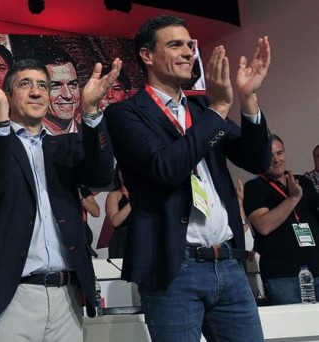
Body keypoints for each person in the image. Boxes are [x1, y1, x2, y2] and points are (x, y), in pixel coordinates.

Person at [104, 15, 271, 341]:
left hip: (228, 264)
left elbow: (257, 160)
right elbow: (167, 167)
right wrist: (220, 107)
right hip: (174, 269)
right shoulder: (125, 113)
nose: (188, 52)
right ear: (147, 55)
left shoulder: (202, 110)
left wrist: (248, 98)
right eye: (175, 44)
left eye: (190, 45)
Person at [0, 55, 121, 340]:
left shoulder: (65, 144)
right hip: (11, 294)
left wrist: (91, 111)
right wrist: (0, 113)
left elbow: (101, 176)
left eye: (44, 85)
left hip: (67, 296)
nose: (36, 92)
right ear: (7, 94)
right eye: (26, 84)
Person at [244, 134, 319, 305]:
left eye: (280, 153)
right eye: (270, 155)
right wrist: (293, 198)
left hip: (316, 270)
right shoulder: (254, 187)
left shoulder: (303, 182)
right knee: (294, 328)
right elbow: (263, 226)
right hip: (282, 276)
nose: (276, 159)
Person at [35, 46, 81, 135]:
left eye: (73, 84)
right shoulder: (22, 141)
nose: (68, 95)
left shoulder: (93, 135)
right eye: (55, 86)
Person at [104, 165, 131, 259]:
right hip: (122, 239)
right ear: (118, 174)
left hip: (141, 236)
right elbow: (114, 221)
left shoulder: (143, 194)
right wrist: (133, 202)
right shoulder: (114, 195)